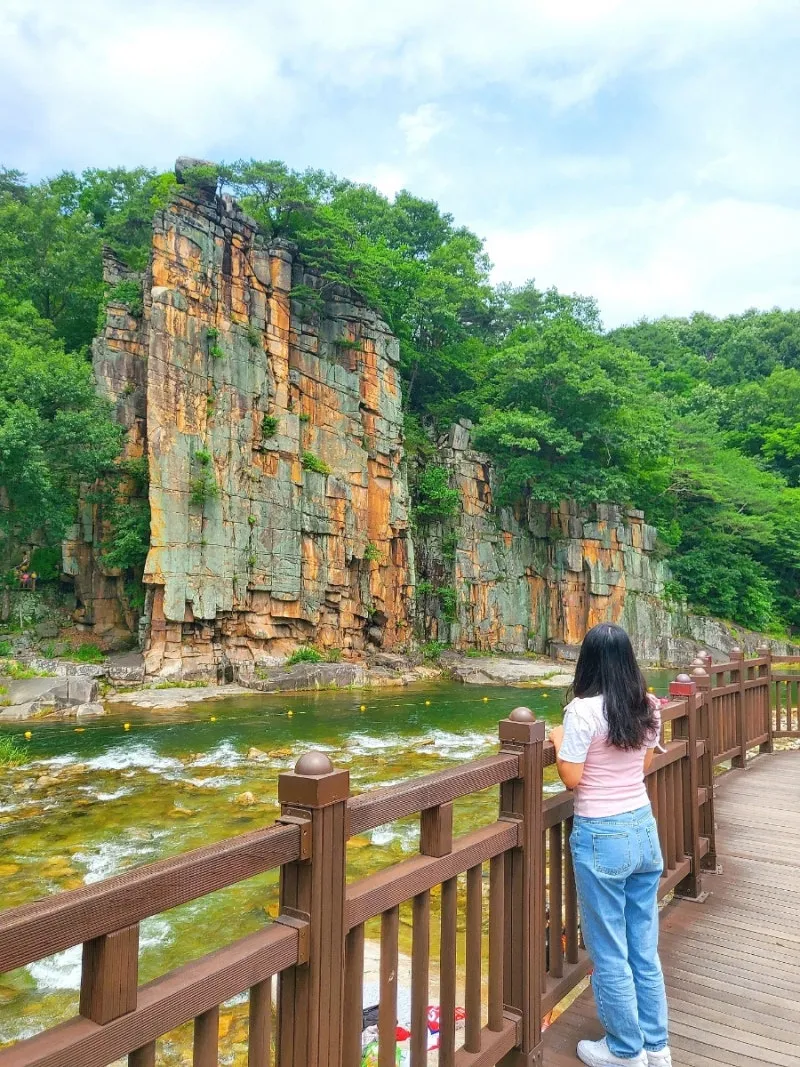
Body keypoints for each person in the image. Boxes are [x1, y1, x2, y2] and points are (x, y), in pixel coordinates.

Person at [548, 623, 670, 1067]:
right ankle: (656, 1046)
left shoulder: (582, 711)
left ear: (589, 662)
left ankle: (623, 1049)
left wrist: (560, 743)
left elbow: (572, 779)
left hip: (602, 834)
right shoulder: (648, 706)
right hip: (642, 829)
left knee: (609, 949)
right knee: (643, 945)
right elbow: (644, 764)